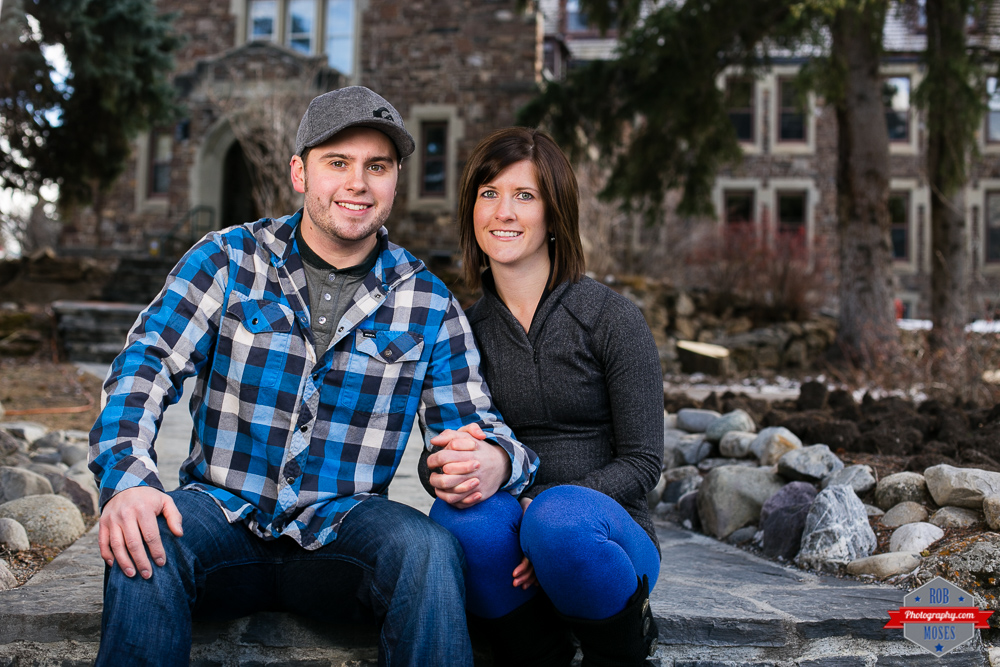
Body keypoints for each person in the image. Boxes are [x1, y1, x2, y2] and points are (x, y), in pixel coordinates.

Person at [88, 87, 538, 667]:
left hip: (342, 532)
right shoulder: (228, 259)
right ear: (300, 172)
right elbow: (145, 364)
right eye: (338, 163)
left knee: (427, 549)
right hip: (221, 514)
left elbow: (472, 426)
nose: (358, 183)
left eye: (377, 167)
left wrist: (497, 461)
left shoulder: (427, 302)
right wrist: (127, 480)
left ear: (395, 180)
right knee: (144, 537)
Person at [422, 127, 664, 666]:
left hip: (603, 534)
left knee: (560, 520)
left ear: (554, 214)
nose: (503, 211)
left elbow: (645, 462)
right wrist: (449, 468)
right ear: (472, 210)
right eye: (489, 194)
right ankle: (537, 654)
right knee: (457, 522)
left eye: (524, 196)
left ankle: (622, 651)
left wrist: (544, 511)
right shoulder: (462, 329)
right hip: (513, 543)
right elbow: (439, 447)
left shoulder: (610, 318)